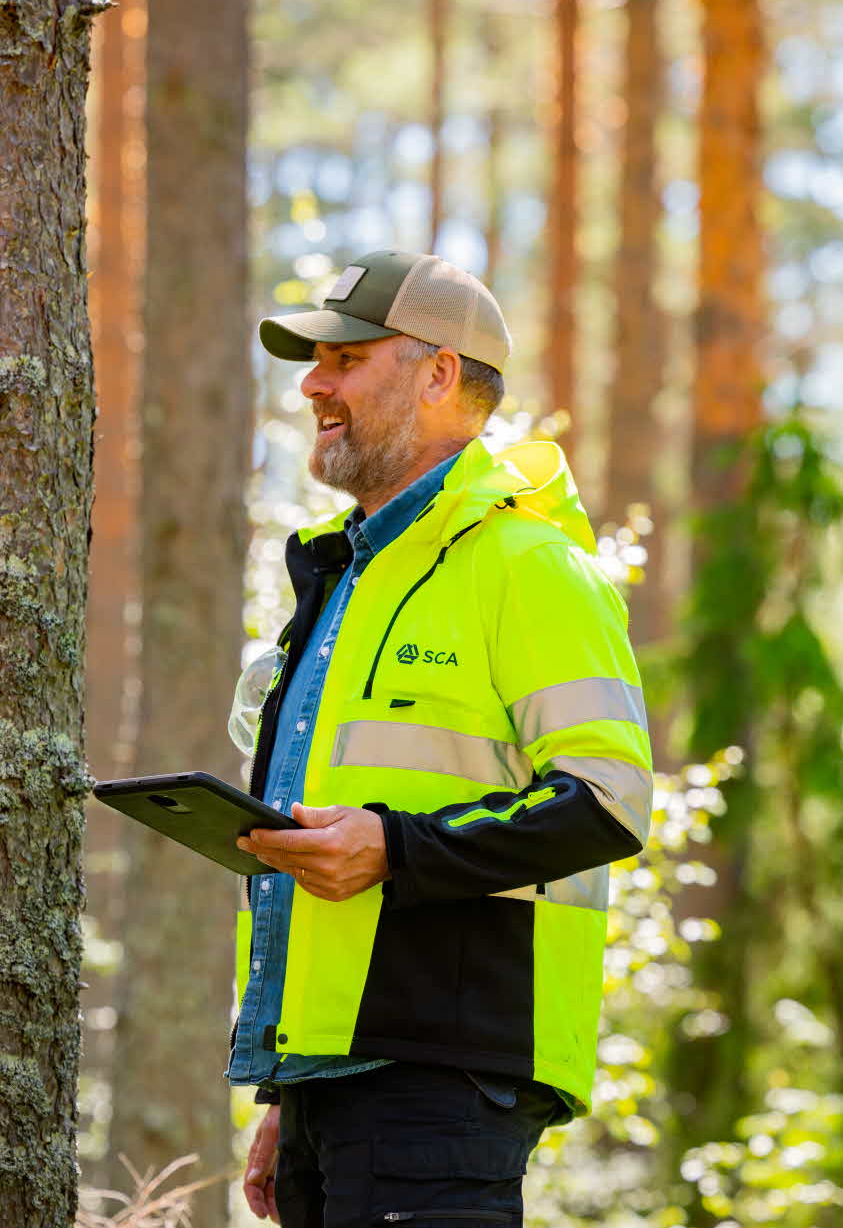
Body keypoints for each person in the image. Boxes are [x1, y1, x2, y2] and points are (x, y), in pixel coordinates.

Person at [228, 249, 653, 1226]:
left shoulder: (532, 567)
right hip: (328, 1081)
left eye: (344, 359)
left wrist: (395, 849)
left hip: (448, 1074)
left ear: (437, 375)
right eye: (313, 362)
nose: (313, 384)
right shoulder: (344, 576)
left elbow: (608, 801)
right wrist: (290, 1090)